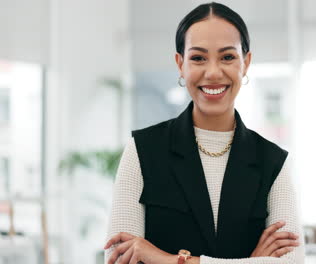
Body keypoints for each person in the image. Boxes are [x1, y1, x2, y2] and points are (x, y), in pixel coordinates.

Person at [104, 2, 305, 264]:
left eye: (228, 57)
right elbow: (120, 259)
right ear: (180, 64)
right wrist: (252, 261)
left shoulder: (273, 162)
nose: (212, 72)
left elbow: (291, 263)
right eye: (198, 58)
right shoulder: (143, 151)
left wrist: (168, 259)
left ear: (246, 63)